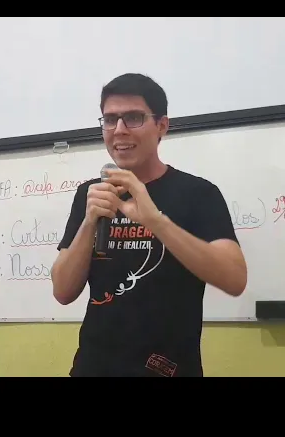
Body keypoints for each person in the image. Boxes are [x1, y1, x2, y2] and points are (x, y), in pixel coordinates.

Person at [51, 73, 247, 377]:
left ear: (162, 126)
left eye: (133, 118)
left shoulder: (198, 193)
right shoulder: (91, 194)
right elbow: (63, 291)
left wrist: (155, 221)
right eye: (110, 119)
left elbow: (235, 279)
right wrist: (90, 221)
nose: (119, 130)